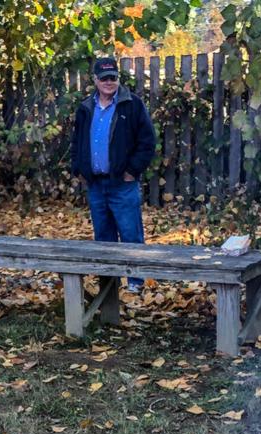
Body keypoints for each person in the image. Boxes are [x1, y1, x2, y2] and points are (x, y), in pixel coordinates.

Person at [70, 56, 156, 292]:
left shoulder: (133, 105)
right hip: (96, 184)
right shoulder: (85, 108)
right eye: (104, 78)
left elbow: (147, 142)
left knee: (131, 235)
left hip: (123, 184)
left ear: (118, 78)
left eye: (113, 77)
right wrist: (78, 169)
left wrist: (131, 171)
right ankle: (109, 287)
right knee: (103, 238)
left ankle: (136, 285)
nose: (109, 82)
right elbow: (76, 141)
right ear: (95, 80)